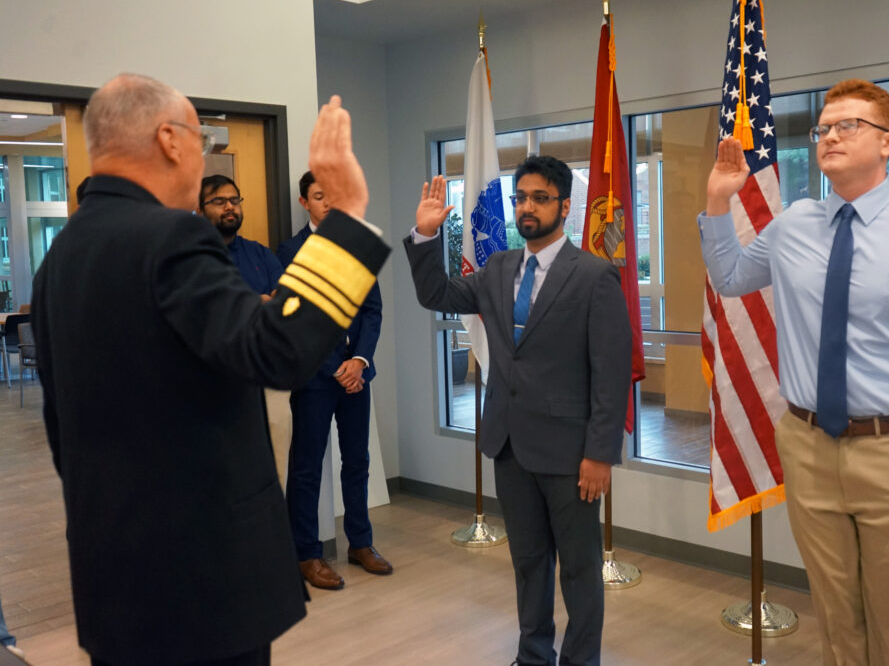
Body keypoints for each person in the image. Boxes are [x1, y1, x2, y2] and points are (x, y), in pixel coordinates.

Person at [31, 73, 389, 666]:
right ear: (171, 140)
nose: (203, 157)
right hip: (199, 578)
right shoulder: (171, 236)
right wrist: (347, 216)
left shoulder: (62, 255)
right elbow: (279, 355)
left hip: (114, 567)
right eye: (203, 138)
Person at [699, 79, 889, 665]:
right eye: (823, 129)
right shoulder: (792, 226)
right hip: (809, 444)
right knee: (836, 612)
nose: (830, 136)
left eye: (847, 126)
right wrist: (717, 201)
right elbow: (731, 278)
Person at [405, 155, 632, 666]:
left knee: (577, 569)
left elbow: (611, 374)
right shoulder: (500, 266)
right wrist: (424, 237)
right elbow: (436, 294)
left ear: (565, 207)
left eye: (540, 198)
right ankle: (532, 656)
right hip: (508, 445)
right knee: (529, 563)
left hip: (571, 456)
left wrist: (600, 454)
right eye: (520, 198)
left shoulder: (595, 276)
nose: (527, 207)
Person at [277, 170, 389, 590]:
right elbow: (293, 322)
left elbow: (372, 310)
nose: (328, 203)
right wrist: (334, 368)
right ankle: (307, 553)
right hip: (314, 379)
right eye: (319, 196)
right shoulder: (287, 252)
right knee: (306, 468)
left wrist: (358, 360)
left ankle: (361, 543)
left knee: (357, 462)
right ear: (305, 202)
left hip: (356, 375)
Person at [199, 174, 283, 299]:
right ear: (200, 210)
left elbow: (283, 295)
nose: (230, 207)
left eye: (234, 200)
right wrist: (253, 305)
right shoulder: (188, 256)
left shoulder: (260, 253)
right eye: (219, 201)